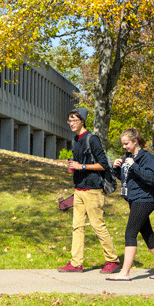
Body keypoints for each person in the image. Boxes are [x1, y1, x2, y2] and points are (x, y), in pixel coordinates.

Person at [105, 128, 154, 281]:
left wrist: (134, 165)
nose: (124, 147)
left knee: (130, 233)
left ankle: (125, 272)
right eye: (123, 144)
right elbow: (127, 179)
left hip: (144, 199)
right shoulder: (129, 156)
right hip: (133, 199)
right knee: (148, 235)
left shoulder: (146, 157)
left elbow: (151, 178)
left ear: (135, 141)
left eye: (126, 143)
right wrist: (116, 168)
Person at [58, 107, 120, 274]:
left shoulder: (92, 139)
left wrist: (82, 166)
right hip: (79, 189)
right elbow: (78, 163)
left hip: (93, 190)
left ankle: (112, 260)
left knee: (97, 225)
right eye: (69, 120)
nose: (71, 123)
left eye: (74, 120)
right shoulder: (75, 140)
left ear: (82, 121)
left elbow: (103, 165)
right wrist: (74, 167)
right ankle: (76, 263)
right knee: (77, 227)